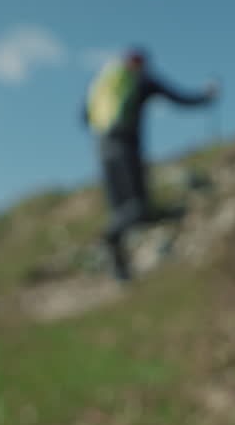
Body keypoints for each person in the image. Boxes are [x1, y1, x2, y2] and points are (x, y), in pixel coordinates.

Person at [83, 48, 218, 281]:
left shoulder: (106, 83)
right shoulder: (142, 81)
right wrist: (206, 97)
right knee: (137, 207)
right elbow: (178, 98)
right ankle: (125, 247)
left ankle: (119, 268)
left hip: (102, 149)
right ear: (142, 64)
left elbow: (83, 116)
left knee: (119, 210)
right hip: (125, 146)